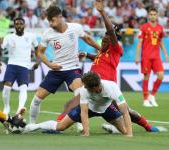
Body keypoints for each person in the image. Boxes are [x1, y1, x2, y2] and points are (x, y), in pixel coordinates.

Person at [55, 0, 160, 133]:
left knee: (127, 111)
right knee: (74, 101)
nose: (104, 41)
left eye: (108, 38)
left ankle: (147, 127)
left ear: (112, 39)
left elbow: (110, 31)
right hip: (92, 84)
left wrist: (102, 12)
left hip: (107, 86)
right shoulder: (102, 51)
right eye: (104, 38)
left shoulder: (115, 49)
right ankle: (58, 125)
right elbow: (98, 57)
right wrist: (87, 54)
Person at [29, 5, 100, 124]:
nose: (50, 24)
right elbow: (40, 52)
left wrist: (101, 49)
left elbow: (87, 38)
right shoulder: (48, 33)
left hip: (73, 70)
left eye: (52, 20)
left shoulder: (75, 27)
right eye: (48, 21)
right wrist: (49, 64)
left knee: (80, 96)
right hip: (56, 70)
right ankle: (31, 125)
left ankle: (80, 125)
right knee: (36, 99)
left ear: (60, 16)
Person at [23, 72, 133, 137]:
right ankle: (35, 126)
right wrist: (86, 132)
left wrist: (130, 134)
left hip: (107, 107)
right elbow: (84, 113)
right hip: (89, 107)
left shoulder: (112, 87)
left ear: (95, 87)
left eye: (86, 87)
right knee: (60, 126)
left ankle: (113, 128)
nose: (83, 87)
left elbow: (124, 111)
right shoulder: (84, 90)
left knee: (124, 131)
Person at [0, 17, 39, 115]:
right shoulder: (9, 37)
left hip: (24, 66)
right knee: (7, 87)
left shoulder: (31, 36)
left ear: (24, 25)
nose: (19, 26)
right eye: (17, 24)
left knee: (24, 87)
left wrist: (38, 61)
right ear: (14, 26)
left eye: (21, 24)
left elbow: (37, 47)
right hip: (12, 64)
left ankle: (20, 109)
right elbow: (1, 49)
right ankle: (6, 107)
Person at [135, 7, 168, 107]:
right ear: (148, 16)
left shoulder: (160, 28)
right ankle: (145, 99)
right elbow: (139, 43)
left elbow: (160, 42)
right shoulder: (144, 27)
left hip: (156, 56)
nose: (153, 16)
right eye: (151, 14)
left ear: (157, 16)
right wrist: (137, 56)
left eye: (154, 14)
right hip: (146, 56)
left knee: (161, 75)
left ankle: (152, 95)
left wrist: (165, 54)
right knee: (146, 77)